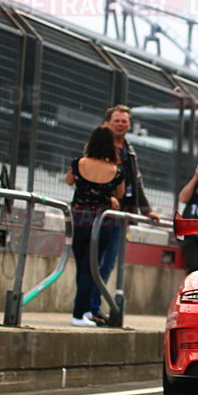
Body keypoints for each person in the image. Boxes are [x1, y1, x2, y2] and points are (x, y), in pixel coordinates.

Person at [89, 105, 160, 325]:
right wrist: (105, 196)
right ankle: (90, 309)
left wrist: (146, 209)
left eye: (124, 121)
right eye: (117, 120)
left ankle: (96, 307)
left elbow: (136, 181)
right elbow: (89, 173)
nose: (121, 124)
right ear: (108, 122)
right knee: (96, 262)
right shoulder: (100, 144)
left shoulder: (129, 149)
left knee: (108, 264)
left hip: (123, 214)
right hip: (103, 213)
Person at [65, 127, 124, 327]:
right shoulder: (115, 171)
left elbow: (69, 181)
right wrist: (107, 196)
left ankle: (85, 311)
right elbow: (120, 193)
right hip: (100, 222)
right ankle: (79, 313)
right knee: (91, 268)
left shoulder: (78, 163)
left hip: (78, 219)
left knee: (82, 266)